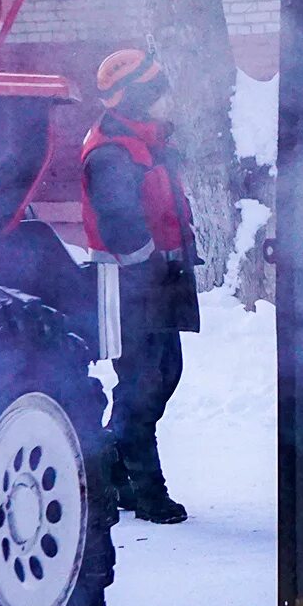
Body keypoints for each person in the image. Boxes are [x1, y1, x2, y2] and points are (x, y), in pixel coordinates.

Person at [82, 50, 198, 523]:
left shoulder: (145, 142)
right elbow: (121, 229)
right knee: (142, 386)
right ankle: (146, 490)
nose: (167, 99)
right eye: (158, 91)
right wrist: (153, 266)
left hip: (156, 285)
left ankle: (112, 466)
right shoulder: (112, 152)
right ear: (135, 99)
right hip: (132, 290)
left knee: (162, 375)